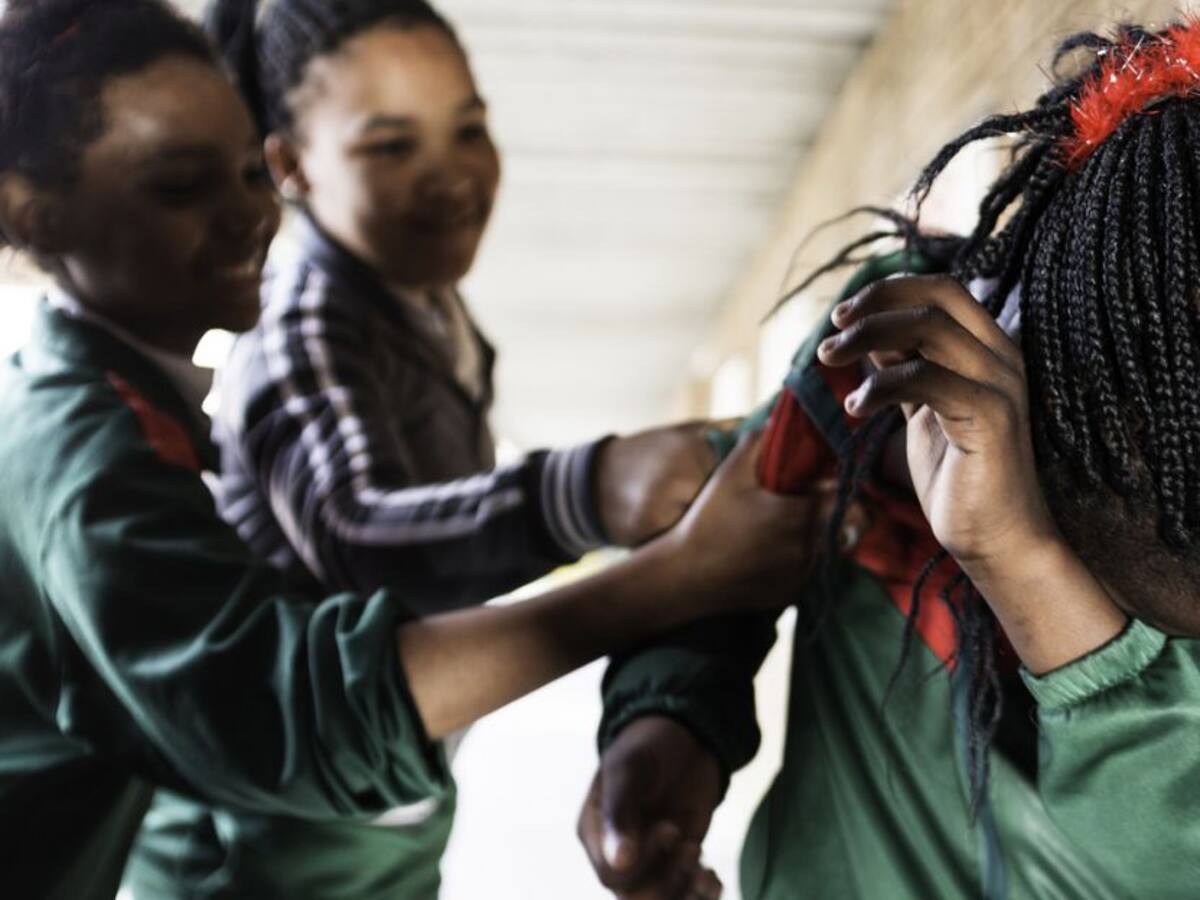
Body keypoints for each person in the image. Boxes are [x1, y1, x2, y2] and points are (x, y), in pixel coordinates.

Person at [0, 2, 820, 898]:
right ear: (33, 218)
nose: (246, 217)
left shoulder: (150, 390)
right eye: (177, 186)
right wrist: (649, 552)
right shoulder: (91, 449)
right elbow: (286, 704)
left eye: (242, 173)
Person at [580, 21, 1200, 900]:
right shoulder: (897, 364)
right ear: (1047, 419)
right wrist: (669, 717)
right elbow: (727, 548)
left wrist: (1021, 566)